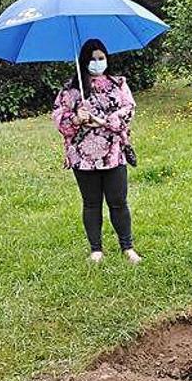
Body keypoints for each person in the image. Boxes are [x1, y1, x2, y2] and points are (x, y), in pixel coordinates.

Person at [52, 39, 141, 264]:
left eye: (101, 58)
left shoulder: (118, 83)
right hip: (83, 156)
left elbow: (128, 109)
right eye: (92, 59)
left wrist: (104, 121)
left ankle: (127, 246)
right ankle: (96, 249)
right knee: (91, 203)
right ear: (83, 61)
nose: (97, 63)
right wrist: (75, 118)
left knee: (118, 201)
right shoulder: (71, 90)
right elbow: (59, 119)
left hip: (113, 152)